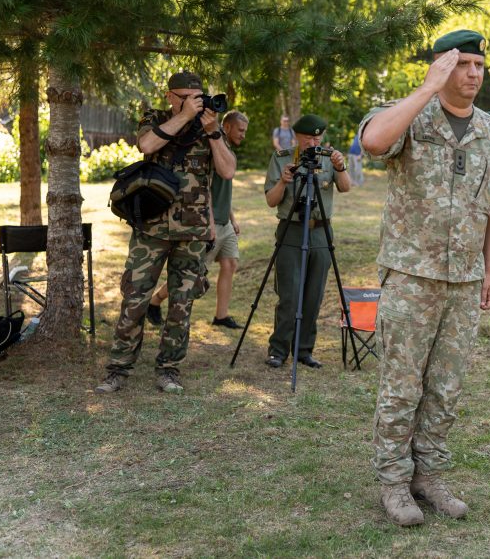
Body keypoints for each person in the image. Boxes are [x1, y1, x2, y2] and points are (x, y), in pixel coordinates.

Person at [359, 29, 490, 527]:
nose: (472, 73)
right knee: (401, 385)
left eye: (478, 65)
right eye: (462, 63)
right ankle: (393, 481)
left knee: (445, 386)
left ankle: (430, 475)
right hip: (412, 275)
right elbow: (374, 142)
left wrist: (489, 269)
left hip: (465, 279)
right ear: (441, 66)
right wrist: (426, 88)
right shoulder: (407, 113)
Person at [95, 71, 237, 394]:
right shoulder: (155, 118)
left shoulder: (209, 125)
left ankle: (169, 368)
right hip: (153, 228)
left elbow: (227, 170)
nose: (193, 102)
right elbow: (147, 144)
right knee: (135, 298)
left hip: (192, 231)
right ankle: (118, 369)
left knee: (181, 303)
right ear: (170, 96)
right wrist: (184, 116)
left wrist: (213, 131)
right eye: (185, 96)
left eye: (196, 96)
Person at [146, 110, 249, 330]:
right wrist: (210, 224)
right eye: (240, 130)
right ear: (227, 127)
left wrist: (232, 218)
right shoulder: (211, 147)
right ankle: (155, 301)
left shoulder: (225, 150)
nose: (243, 135)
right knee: (193, 275)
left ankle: (221, 316)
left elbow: (223, 190)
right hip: (208, 223)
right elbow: (205, 189)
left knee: (230, 263)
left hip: (225, 223)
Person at [263, 114, 350, 369]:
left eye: (317, 136)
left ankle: (304, 350)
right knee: (289, 295)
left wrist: (341, 167)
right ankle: (278, 349)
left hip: (321, 231)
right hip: (291, 229)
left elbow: (345, 187)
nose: (314, 142)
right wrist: (283, 181)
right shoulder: (282, 159)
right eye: (308, 137)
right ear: (297, 137)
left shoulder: (328, 157)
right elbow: (271, 200)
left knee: (314, 295)